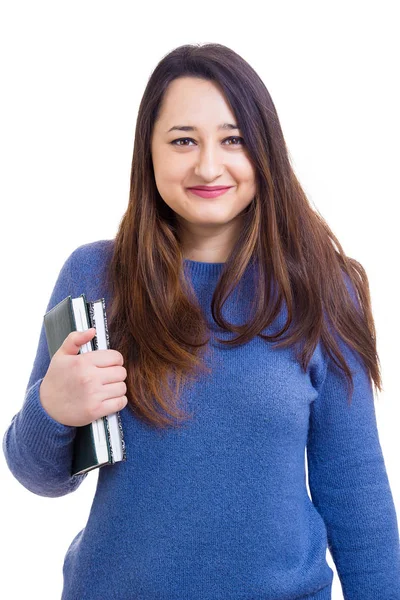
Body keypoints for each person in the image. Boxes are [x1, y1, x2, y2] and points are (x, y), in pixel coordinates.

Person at [3, 42, 400, 600]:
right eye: (184, 140)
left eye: (233, 140)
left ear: (266, 151)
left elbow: (356, 493)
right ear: (150, 152)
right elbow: (38, 476)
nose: (209, 165)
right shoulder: (94, 275)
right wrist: (52, 407)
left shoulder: (324, 289)